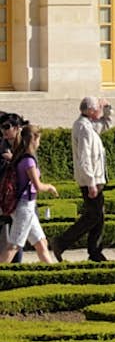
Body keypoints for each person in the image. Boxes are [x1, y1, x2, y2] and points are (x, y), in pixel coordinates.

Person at [52, 96, 112, 264]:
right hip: (90, 180)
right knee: (94, 216)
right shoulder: (83, 127)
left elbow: (106, 124)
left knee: (98, 216)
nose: (100, 110)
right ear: (91, 111)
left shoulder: (88, 124)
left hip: (94, 179)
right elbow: (84, 158)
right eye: (98, 108)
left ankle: (95, 252)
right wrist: (91, 182)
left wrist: (108, 108)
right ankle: (62, 242)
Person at [0, 124, 58, 268]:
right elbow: (38, 186)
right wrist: (50, 187)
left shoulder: (20, 157)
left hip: (25, 206)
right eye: (39, 140)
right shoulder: (29, 161)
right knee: (13, 246)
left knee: (41, 243)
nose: (39, 143)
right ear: (34, 139)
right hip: (25, 206)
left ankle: (53, 272)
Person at [0, 113, 25, 264]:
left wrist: (13, 159)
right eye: (2, 127)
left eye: (6, 127)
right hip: (7, 196)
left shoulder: (24, 144)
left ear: (17, 128)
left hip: (20, 194)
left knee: (20, 234)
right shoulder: (3, 146)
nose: (3, 130)